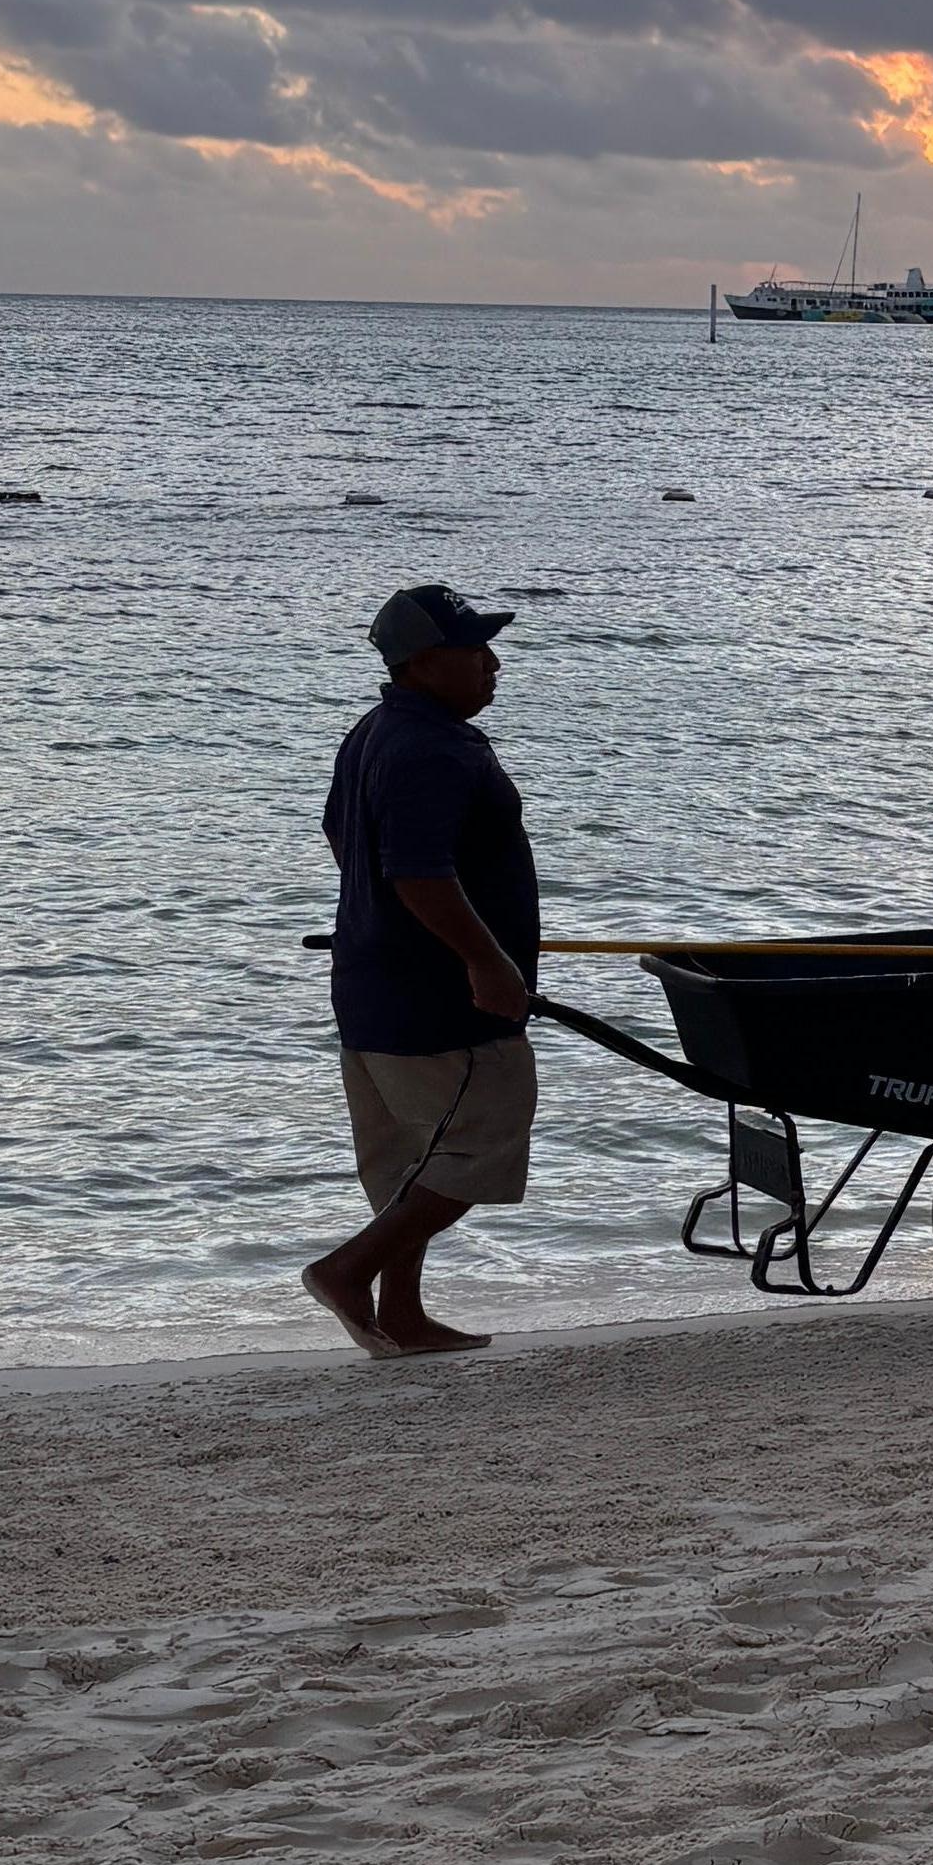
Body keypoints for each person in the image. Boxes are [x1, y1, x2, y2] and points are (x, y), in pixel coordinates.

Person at [306, 582, 540, 1360]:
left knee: (410, 1156)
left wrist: (378, 924)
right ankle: (349, 1271)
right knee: (485, 1135)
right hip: (439, 999)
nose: (493, 664)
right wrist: (486, 959)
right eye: (474, 650)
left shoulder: (374, 729)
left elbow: (344, 839)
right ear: (425, 662)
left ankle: (402, 1314)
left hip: (370, 982)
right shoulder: (436, 747)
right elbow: (419, 874)